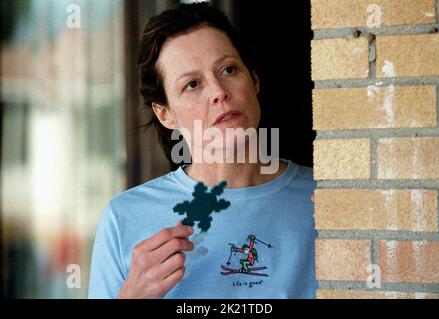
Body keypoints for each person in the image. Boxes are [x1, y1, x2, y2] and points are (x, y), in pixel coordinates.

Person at [88, 3, 317, 299]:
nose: (219, 91)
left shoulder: (323, 201)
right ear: (165, 114)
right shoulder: (124, 218)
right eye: (193, 84)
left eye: (229, 69)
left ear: (254, 80)